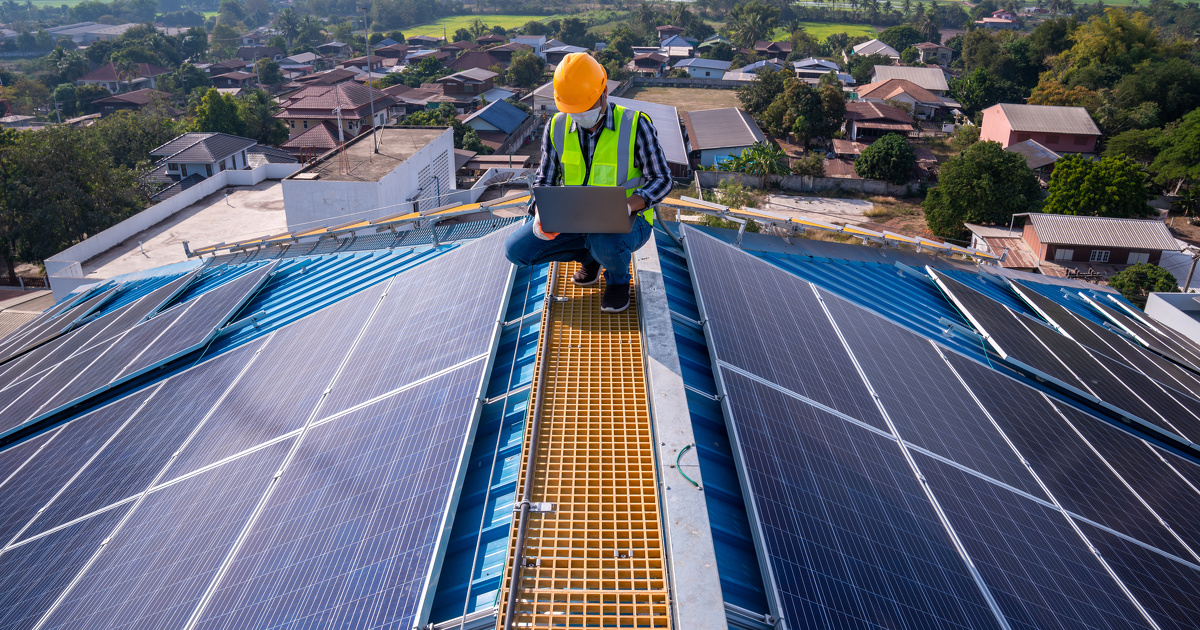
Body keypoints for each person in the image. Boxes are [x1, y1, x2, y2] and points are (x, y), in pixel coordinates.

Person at [504, 53, 673, 313]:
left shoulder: (636, 125)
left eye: (586, 106)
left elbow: (662, 180)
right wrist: (540, 213)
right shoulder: (556, 127)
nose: (580, 115)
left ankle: (617, 281)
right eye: (573, 110)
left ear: (604, 91)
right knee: (517, 250)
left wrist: (626, 207)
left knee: (604, 239)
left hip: (629, 220)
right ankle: (590, 257)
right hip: (574, 218)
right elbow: (545, 179)